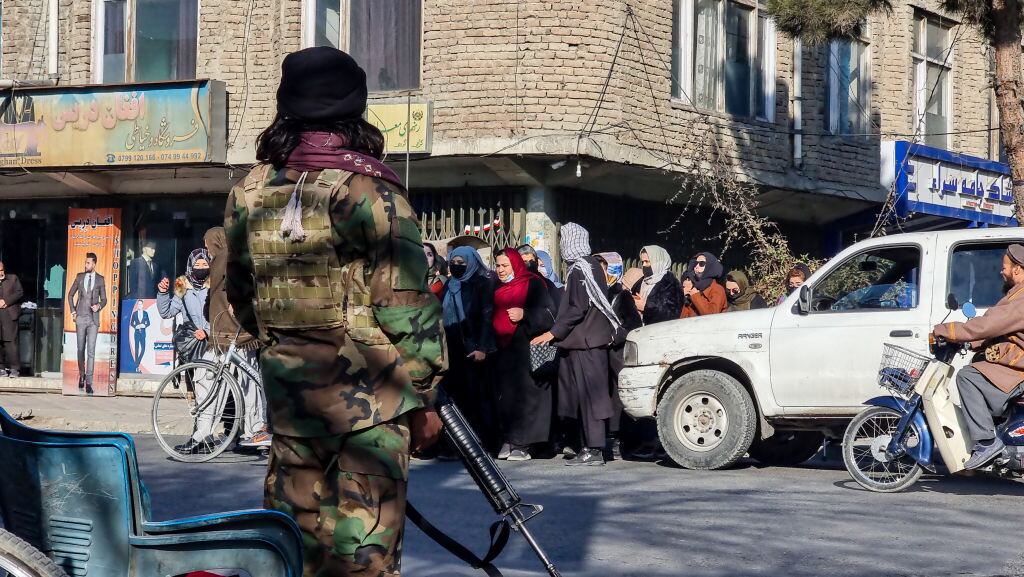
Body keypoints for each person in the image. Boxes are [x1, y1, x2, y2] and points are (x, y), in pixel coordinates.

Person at [225, 46, 445, 577]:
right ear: (355, 109)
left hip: (291, 406)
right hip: (373, 408)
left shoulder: (250, 192)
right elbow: (406, 305)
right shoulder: (369, 189)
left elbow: (240, 297)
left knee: (292, 558)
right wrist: (428, 393)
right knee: (364, 562)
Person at [532, 223, 621, 467]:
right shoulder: (588, 266)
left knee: (590, 396)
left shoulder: (581, 268)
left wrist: (553, 332)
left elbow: (576, 307)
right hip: (584, 342)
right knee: (584, 397)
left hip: (586, 343)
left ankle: (594, 448)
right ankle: (591, 446)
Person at [933, 244, 1024, 469]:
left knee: (968, 376)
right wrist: (971, 341)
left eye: (1004, 267)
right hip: (1016, 364)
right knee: (979, 368)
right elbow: (1000, 329)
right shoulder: (1016, 295)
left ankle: (986, 443)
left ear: (1017, 269)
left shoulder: (1021, 301)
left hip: (1019, 369)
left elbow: (989, 324)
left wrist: (947, 330)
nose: (1001, 272)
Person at [204, 226, 270, 450]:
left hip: (227, 335)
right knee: (249, 385)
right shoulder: (238, 257)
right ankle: (255, 431)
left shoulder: (222, 259)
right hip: (243, 333)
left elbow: (224, 294)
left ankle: (203, 435)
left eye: (208, 244)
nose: (207, 249)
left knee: (211, 384)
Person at [492, 248, 556, 461]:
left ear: (515, 265)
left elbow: (548, 314)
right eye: (498, 265)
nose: (501, 270)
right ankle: (509, 439)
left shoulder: (533, 283)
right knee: (507, 398)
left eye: (505, 266)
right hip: (504, 351)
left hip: (526, 350)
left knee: (526, 398)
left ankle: (523, 444)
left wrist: (524, 314)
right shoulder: (496, 287)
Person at [158, 248, 214, 454]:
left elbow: (220, 312)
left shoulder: (215, 283)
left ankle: (203, 436)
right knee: (193, 392)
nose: (201, 269)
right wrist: (163, 293)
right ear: (190, 266)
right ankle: (200, 436)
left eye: (205, 265)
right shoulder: (182, 283)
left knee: (207, 391)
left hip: (210, 345)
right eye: (197, 265)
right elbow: (167, 312)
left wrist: (207, 331)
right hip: (191, 348)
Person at [441, 246, 497, 450]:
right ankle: (456, 445)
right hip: (452, 349)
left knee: (477, 397)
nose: (456, 266)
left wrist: (483, 347)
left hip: (473, 348)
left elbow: (487, 317)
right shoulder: (449, 285)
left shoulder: (481, 284)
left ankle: (483, 442)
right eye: (453, 262)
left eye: (461, 263)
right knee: (456, 398)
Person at [68, 253, 107, 394]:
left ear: (94, 264)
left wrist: (99, 306)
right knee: (80, 349)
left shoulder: (100, 279)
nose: (86, 265)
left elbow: (104, 299)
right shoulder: (79, 277)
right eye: (85, 263)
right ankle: (82, 374)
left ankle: (89, 382)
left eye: (88, 263)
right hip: (80, 318)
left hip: (93, 320)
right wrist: (73, 311)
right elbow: (70, 294)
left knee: (91, 351)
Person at [635, 245, 681, 325]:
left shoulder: (670, 284)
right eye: (642, 262)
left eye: (647, 261)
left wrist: (646, 307)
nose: (644, 265)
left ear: (658, 262)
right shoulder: (643, 280)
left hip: (658, 332)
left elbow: (671, 314)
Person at [680, 252, 728, 318]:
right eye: (695, 263)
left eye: (701, 264)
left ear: (710, 266)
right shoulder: (693, 286)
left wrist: (696, 296)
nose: (696, 266)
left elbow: (712, 315)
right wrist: (682, 296)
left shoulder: (717, 289)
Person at [0, 262, 23, 378]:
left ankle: (15, 369)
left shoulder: (13, 278)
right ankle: (1, 368)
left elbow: (19, 293)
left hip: (9, 314)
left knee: (11, 342)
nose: (1, 272)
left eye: (1, 270)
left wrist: (6, 301)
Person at [129, 299, 151, 372]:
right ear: (137, 305)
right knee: (136, 349)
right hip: (137, 333)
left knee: (143, 349)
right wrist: (136, 326)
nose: (139, 305)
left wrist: (144, 325)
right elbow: (132, 323)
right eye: (138, 304)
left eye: (141, 304)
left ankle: (136, 364)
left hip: (143, 333)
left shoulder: (145, 313)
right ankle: (137, 367)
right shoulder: (135, 313)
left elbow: (148, 323)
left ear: (142, 305)